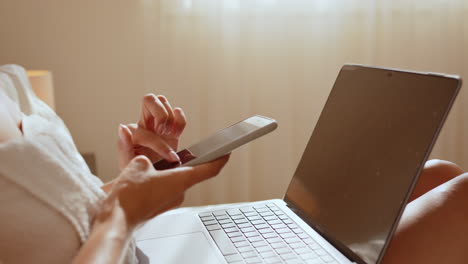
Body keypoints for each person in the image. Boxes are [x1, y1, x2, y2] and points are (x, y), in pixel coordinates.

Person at [0, 65, 467, 263]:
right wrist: (122, 211)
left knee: (441, 173)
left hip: (132, 243)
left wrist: (126, 182)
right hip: (122, 242)